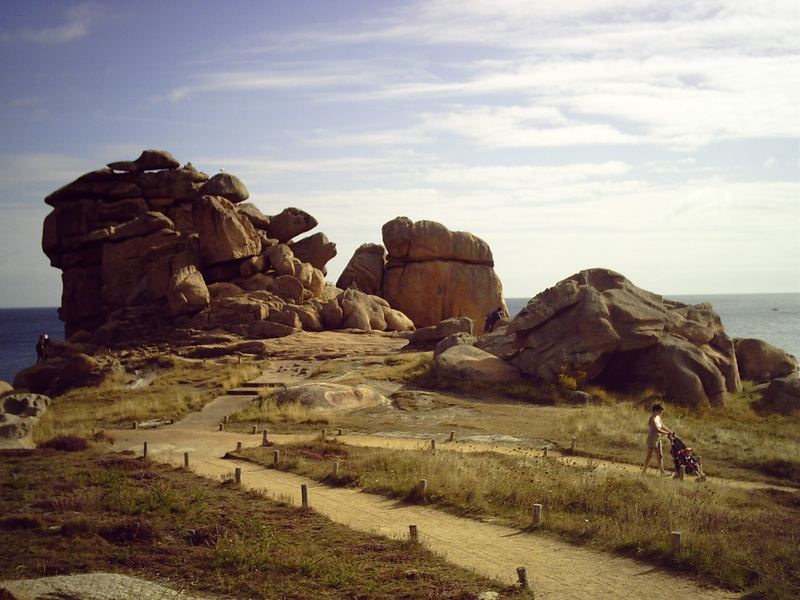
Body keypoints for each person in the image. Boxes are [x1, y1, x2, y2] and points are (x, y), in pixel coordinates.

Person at [641, 403, 673, 475]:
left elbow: (662, 426)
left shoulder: (658, 417)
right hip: (652, 438)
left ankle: (662, 472)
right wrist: (667, 433)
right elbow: (657, 429)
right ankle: (644, 470)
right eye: (660, 411)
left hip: (658, 438)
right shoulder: (652, 419)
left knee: (660, 455)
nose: (661, 413)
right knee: (649, 455)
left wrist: (670, 431)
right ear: (655, 410)